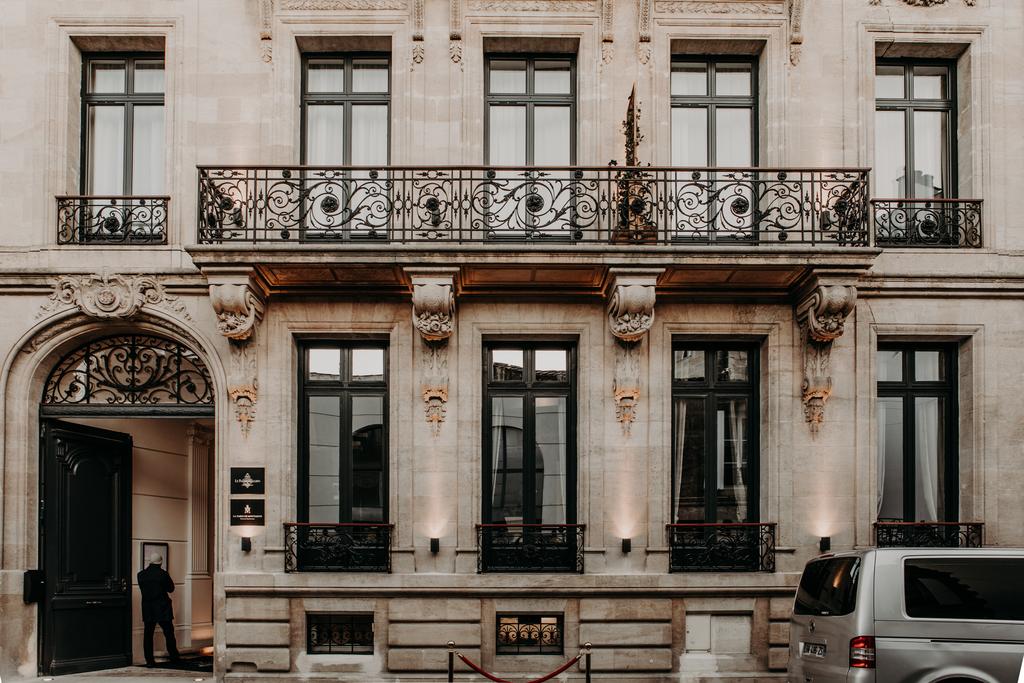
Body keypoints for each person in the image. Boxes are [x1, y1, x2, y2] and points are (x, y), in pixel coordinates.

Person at [137, 552, 180, 667]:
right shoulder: (163, 574)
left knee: (148, 635)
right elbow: (171, 589)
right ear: (160, 563)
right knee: (169, 633)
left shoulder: (140, 575)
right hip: (162, 608)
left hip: (148, 608)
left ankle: (149, 661)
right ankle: (174, 658)